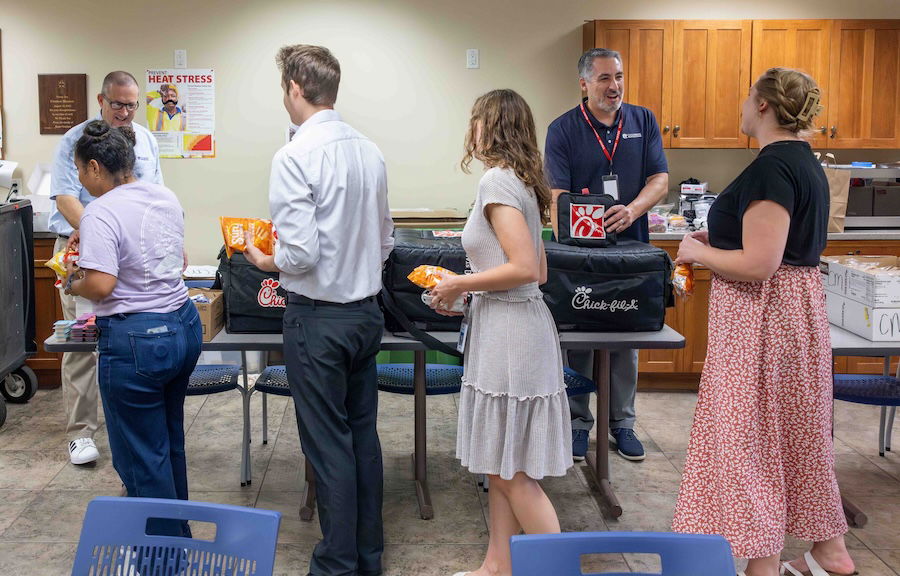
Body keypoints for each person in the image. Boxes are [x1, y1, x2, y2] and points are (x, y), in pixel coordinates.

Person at [671, 68, 856, 576]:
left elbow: (760, 265)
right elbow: (769, 248)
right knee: (794, 435)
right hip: (795, 315)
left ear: (765, 107)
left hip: (763, 320)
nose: (742, 103)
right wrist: (720, 243)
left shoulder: (772, 168)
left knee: (750, 440)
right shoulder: (804, 164)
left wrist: (696, 252)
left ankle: (763, 565)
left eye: (748, 95)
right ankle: (829, 551)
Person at [242, 44, 393, 576]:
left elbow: (300, 253)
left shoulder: (294, 156)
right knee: (361, 440)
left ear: (295, 89)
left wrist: (265, 258)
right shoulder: (369, 150)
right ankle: (367, 558)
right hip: (364, 316)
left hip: (317, 319)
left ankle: (335, 564)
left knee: (328, 447)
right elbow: (386, 239)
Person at [429, 89, 572, 576]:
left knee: (512, 473)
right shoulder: (525, 183)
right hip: (513, 322)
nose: (471, 129)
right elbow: (540, 273)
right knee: (500, 463)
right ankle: (497, 567)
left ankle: (559, 569)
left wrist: (459, 282)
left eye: (475, 120)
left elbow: (526, 266)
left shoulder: (495, 181)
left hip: (512, 337)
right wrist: (468, 297)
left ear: (489, 127)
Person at [63, 119, 199, 537]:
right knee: (168, 443)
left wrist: (73, 279)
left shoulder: (100, 211)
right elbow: (175, 261)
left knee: (141, 458)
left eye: (82, 172)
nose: (83, 181)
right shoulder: (164, 195)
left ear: (93, 168)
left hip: (138, 342)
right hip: (182, 326)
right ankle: (179, 542)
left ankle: (163, 560)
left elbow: (101, 285)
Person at [544, 48, 669, 462]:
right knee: (579, 337)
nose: (613, 86)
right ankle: (579, 423)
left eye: (618, 76)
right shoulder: (563, 129)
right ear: (584, 84)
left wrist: (632, 210)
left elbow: (659, 179)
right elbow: (557, 195)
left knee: (624, 340)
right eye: (603, 79)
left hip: (632, 246)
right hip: (582, 252)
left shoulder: (644, 120)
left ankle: (623, 424)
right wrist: (591, 225)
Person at [48, 70, 164, 466]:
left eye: (132, 105)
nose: (125, 112)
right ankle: (81, 433)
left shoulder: (145, 139)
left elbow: (154, 194)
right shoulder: (75, 140)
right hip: (83, 246)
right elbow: (65, 196)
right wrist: (97, 234)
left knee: (128, 337)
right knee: (82, 343)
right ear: (101, 100)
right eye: (118, 104)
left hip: (130, 253)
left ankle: (129, 428)